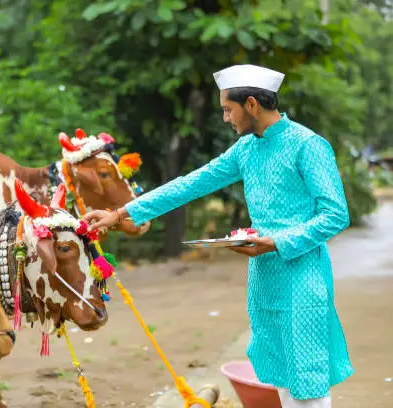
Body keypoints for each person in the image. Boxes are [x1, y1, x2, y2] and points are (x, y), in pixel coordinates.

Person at [84, 64, 353, 408]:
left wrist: (274, 242)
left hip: (303, 276)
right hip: (264, 275)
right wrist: (119, 214)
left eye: (228, 109)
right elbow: (189, 184)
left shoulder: (308, 145)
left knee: (307, 374)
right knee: (281, 373)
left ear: (252, 104)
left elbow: (335, 214)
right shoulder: (246, 150)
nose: (226, 118)